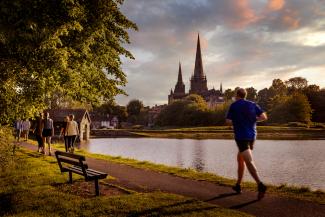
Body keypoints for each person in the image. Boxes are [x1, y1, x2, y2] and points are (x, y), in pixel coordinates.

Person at [226, 88, 268, 200]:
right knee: (240, 159)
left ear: (236, 95)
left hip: (241, 137)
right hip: (252, 136)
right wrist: (253, 119)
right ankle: (238, 185)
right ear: (245, 95)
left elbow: (228, 122)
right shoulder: (253, 104)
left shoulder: (234, 105)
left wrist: (235, 122)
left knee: (248, 161)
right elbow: (264, 117)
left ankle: (260, 185)